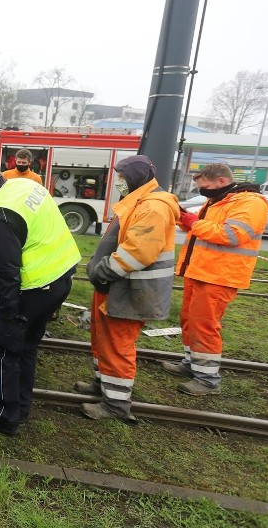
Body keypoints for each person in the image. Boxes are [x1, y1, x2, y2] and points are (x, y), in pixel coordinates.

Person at [0, 147, 79, 435]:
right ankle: (21, 407)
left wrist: (6, 315)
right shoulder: (25, 186)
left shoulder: (0, 216)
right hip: (60, 278)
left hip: (34, 287)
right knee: (28, 346)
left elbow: (8, 274)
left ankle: (7, 417)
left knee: (6, 348)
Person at [75, 155, 180, 422]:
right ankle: (103, 385)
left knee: (117, 345)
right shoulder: (139, 202)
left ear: (135, 177)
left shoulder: (153, 208)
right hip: (117, 287)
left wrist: (103, 271)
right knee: (102, 340)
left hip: (130, 289)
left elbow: (138, 253)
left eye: (122, 177)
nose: (118, 182)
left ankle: (116, 405)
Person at [163, 163, 268, 395]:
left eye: (206, 186)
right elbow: (202, 228)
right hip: (201, 271)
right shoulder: (219, 200)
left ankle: (207, 379)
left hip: (219, 275)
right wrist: (182, 216)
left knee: (204, 326)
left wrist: (192, 222)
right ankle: (192, 364)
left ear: (222, 181)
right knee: (189, 320)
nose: (203, 191)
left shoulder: (249, 203)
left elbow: (231, 235)